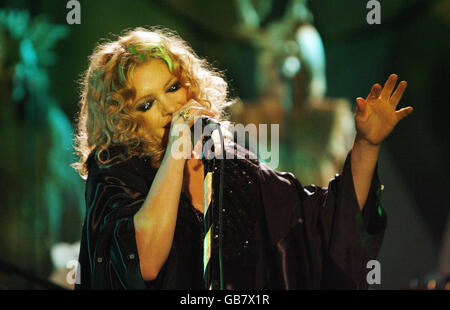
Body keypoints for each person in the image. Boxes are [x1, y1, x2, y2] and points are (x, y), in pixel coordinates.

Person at [73, 27, 413, 290]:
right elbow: (141, 262)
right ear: (124, 121)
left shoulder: (228, 164)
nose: (168, 109)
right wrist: (176, 150)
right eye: (146, 105)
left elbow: (322, 225)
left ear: (190, 87)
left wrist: (367, 144)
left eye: (172, 88)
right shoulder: (115, 177)